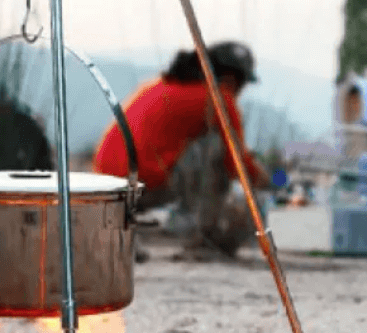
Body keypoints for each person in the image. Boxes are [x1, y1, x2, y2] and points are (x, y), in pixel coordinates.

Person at [94, 41, 271, 255]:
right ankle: (205, 237)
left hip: (108, 182)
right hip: (143, 182)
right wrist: (265, 180)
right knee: (214, 146)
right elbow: (237, 163)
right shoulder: (218, 98)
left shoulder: (158, 86)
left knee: (201, 143)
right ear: (232, 78)